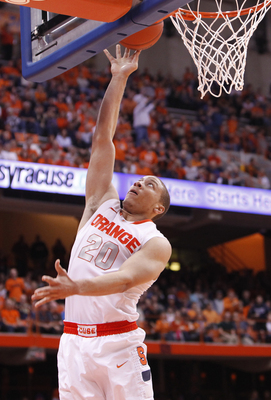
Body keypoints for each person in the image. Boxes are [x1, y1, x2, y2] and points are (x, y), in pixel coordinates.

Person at [32, 46, 172, 400]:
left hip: (118, 343)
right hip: (73, 341)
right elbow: (102, 140)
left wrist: (76, 287)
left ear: (158, 209)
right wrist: (119, 78)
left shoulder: (155, 242)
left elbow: (124, 279)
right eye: (140, 178)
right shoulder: (100, 203)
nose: (140, 181)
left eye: (151, 184)